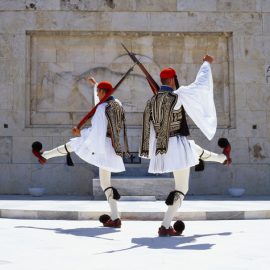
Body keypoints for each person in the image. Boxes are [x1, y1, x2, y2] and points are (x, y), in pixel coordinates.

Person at [140, 55, 231, 236]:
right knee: (182, 188)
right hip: (175, 145)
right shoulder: (177, 96)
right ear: (173, 80)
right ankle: (165, 226)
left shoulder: (151, 102)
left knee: (194, 149)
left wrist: (150, 153)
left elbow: (148, 130)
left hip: (162, 147)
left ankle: (222, 158)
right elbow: (199, 86)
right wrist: (206, 63)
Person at [32, 77, 129, 228]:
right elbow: (102, 102)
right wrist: (95, 85)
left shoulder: (103, 108)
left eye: (98, 92)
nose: (96, 95)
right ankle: (115, 218)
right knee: (105, 183)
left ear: (103, 92)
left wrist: (81, 134)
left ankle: (45, 155)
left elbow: (97, 127)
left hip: (101, 144)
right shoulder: (116, 104)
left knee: (75, 144)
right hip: (112, 148)